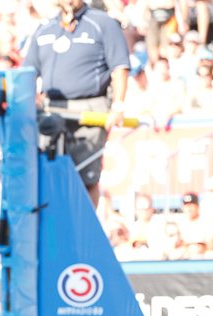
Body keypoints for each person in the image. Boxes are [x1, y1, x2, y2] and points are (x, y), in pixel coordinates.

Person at [22, 0, 131, 206]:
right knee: (48, 172)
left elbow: (120, 67)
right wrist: (30, 97)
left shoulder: (102, 23)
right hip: (51, 109)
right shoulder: (45, 28)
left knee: (86, 177)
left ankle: (84, 224)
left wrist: (118, 105)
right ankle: (55, 221)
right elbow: (27, 71)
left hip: (89, 109)